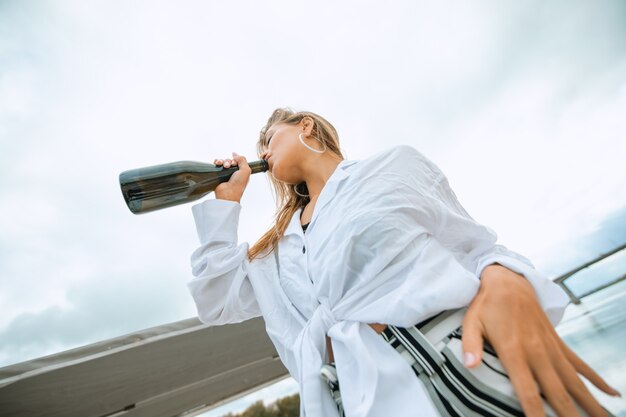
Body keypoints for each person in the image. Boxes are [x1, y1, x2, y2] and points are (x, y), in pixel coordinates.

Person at [187, 108, 620, 417]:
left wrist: (506, 280)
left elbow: (475, 248)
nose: (262, 146)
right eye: (259, 144)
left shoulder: (391, 167)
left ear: (306, 126)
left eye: (269, 135)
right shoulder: (272, 250)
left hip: (459, 362)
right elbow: (217, 300)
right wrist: (226, 204)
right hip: (356, 401)